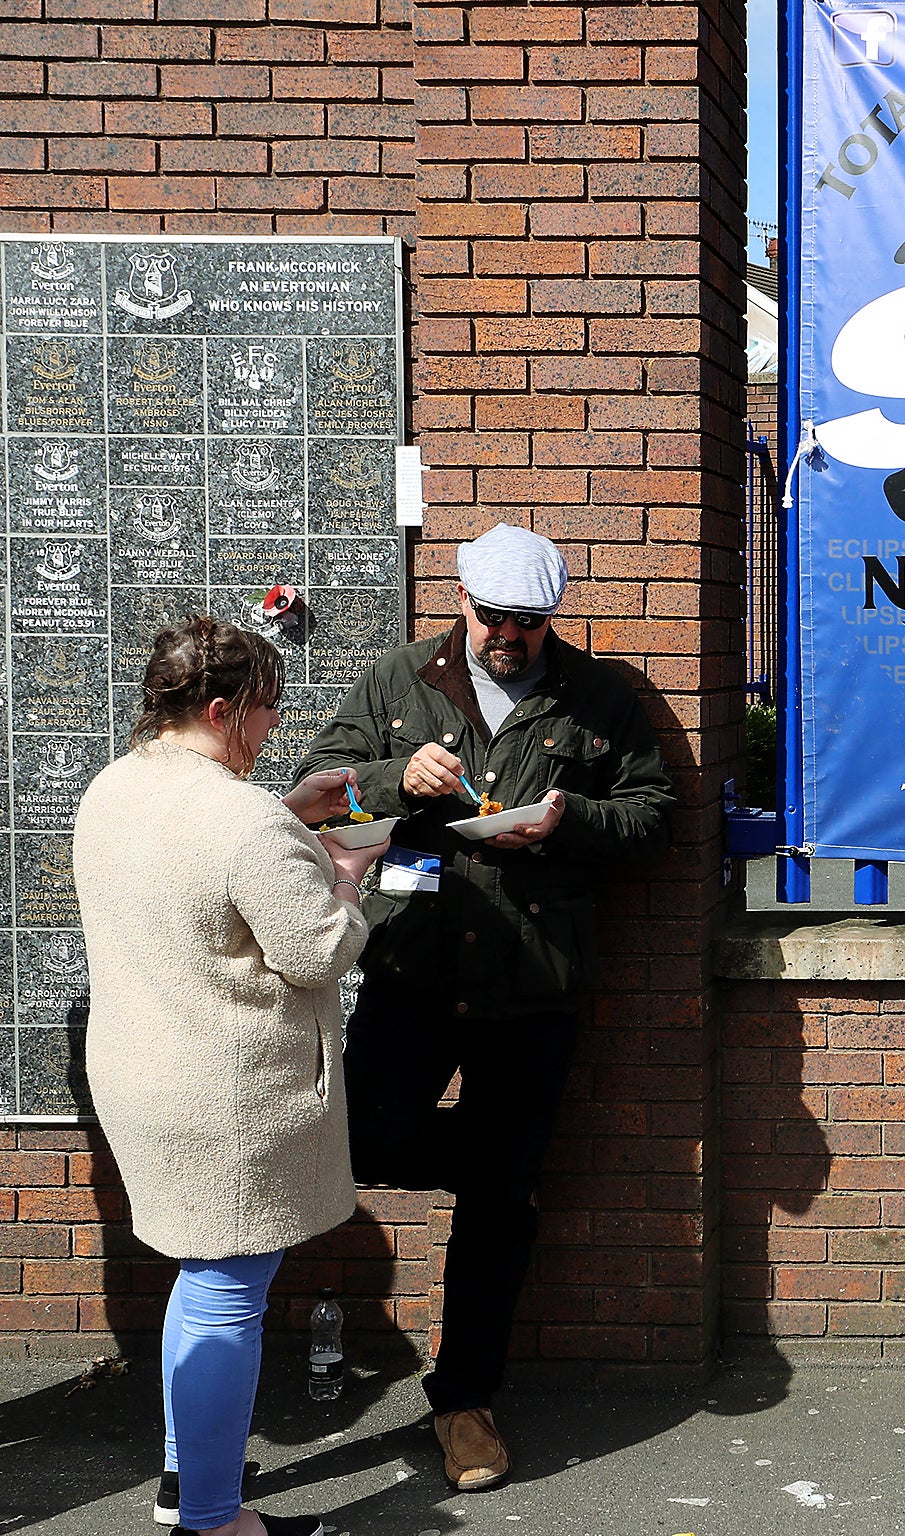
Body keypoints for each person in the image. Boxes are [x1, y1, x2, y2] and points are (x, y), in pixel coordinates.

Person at [296, 523, 675, 1491]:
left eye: (530, 622)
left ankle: (464, 1403)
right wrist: (390, 779)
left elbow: (652, 815)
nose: (509, 635)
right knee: (369, 1141)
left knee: (498, 1212)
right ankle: (497, 1165)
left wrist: (565, 824)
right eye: (493, 616)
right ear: (458, 600)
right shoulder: (396, 680)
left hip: (531, 982)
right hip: (412, 971)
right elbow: (311, 802)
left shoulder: (595, 695)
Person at [74, 617, 389, 1536]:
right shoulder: (244, 819)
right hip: (229, 1095)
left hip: (142, 1075)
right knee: (226, 1294)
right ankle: (213, 1522)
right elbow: (315, 950)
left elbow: (192, 868)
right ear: (221, 709)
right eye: (264, 714)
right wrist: (346, 876)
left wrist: (289, 813)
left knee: (200, 1277)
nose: (269, 732)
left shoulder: (112, 789)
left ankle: (186, 1475)